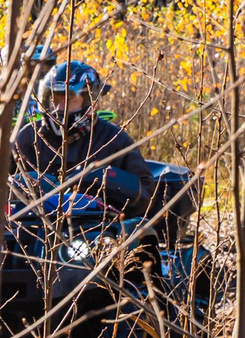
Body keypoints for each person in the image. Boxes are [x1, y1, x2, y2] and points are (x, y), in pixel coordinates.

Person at [9, 59, 152, 222]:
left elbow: (144, 196)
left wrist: (104, 185)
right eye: (55, 99)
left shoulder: (114, 139)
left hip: (95, 229)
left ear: (90, 100)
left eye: (69, 99)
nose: (59, 108)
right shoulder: (28, 136)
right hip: (32, 228)